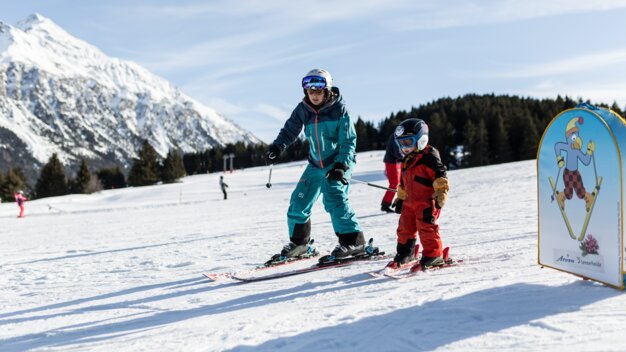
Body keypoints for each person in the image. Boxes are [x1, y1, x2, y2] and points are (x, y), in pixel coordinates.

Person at [265, 68, 367, 259]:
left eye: (318, 91)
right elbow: (290, 130)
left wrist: (341, 166)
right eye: (310, 91)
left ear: (327, 90)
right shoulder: (303, 109)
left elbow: (348, 141)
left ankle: (353, 241)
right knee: (299, 201)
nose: (314, 95)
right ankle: (300, 244)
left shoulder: (339, 110)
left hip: (338, 162)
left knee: (334, 197)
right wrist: (277, 147)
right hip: (315, 164)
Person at [391, 118, 449, 268]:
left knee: (426, 228)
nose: (404, 147)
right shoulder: (406, 160)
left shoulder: (429, 156)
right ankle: (405, 254)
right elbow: (403, 183)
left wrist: (441, 192)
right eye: (401, 143)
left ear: (421, 139)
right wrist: (400, 198)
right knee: (404, 229)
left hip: (426, 202)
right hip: (409, 203)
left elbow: (440, 175)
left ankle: (433, 255)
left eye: (408, 142)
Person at [381, 133, 403, 213]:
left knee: (400, 182)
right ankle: (385, 204)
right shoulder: (396, 136)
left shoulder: (398, 136)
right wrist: (404, 158)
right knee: (394, 183)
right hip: (392, 162)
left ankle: (403, 202)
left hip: (395, 162)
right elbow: (397, 151)